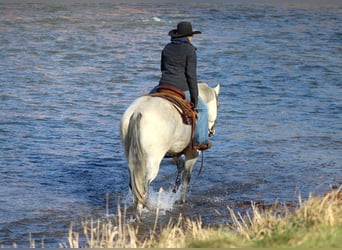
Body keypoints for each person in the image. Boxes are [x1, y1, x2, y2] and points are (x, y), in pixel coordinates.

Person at [155, 21, 211, 151]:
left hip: (163, 86)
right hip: (181, 88)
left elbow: (163, 68)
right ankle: (201, 141)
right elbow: (191, 76)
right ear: (189, 36)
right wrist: (194, 99)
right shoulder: (190, 50)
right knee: (203, 110)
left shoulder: (167, 48)